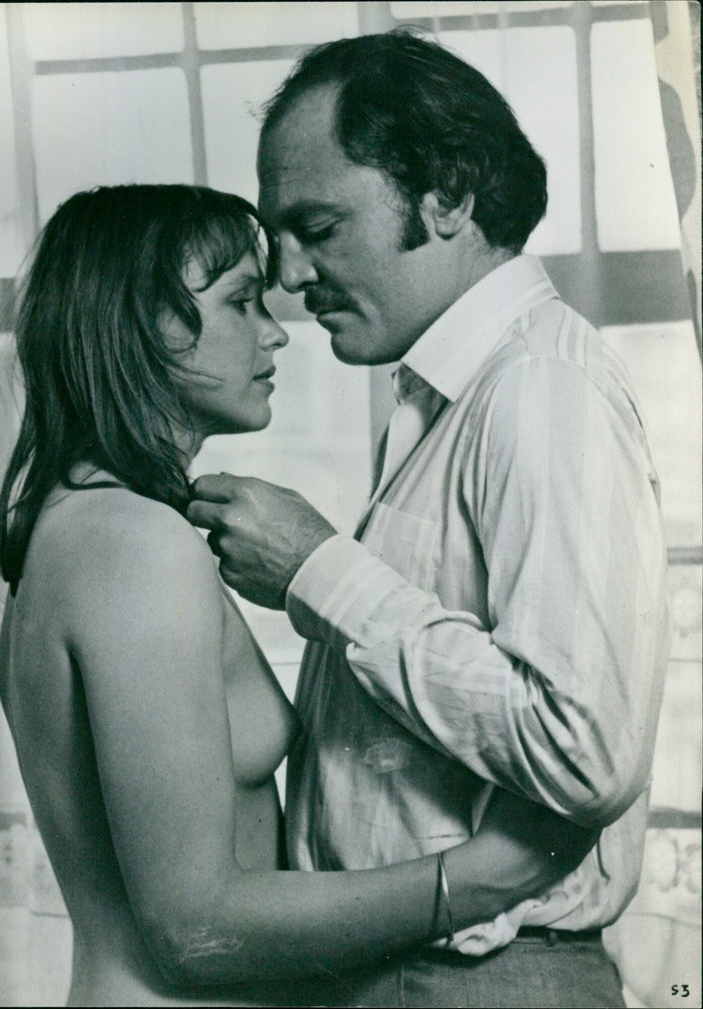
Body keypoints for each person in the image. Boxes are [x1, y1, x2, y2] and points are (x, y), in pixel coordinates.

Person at [0, 183, 592, 1008]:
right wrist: (476, 879)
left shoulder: (79, 527)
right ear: (138, 324)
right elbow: (190, 924)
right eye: (242, 301)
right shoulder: (131, 541)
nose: (276, 331)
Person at [187, 29, 671, 1008]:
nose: (286, 274)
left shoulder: (537, 387)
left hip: (478, 981)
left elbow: (582, 750)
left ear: (447, 197)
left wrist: (316, 570)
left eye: (316, 227)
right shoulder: (453, 393)